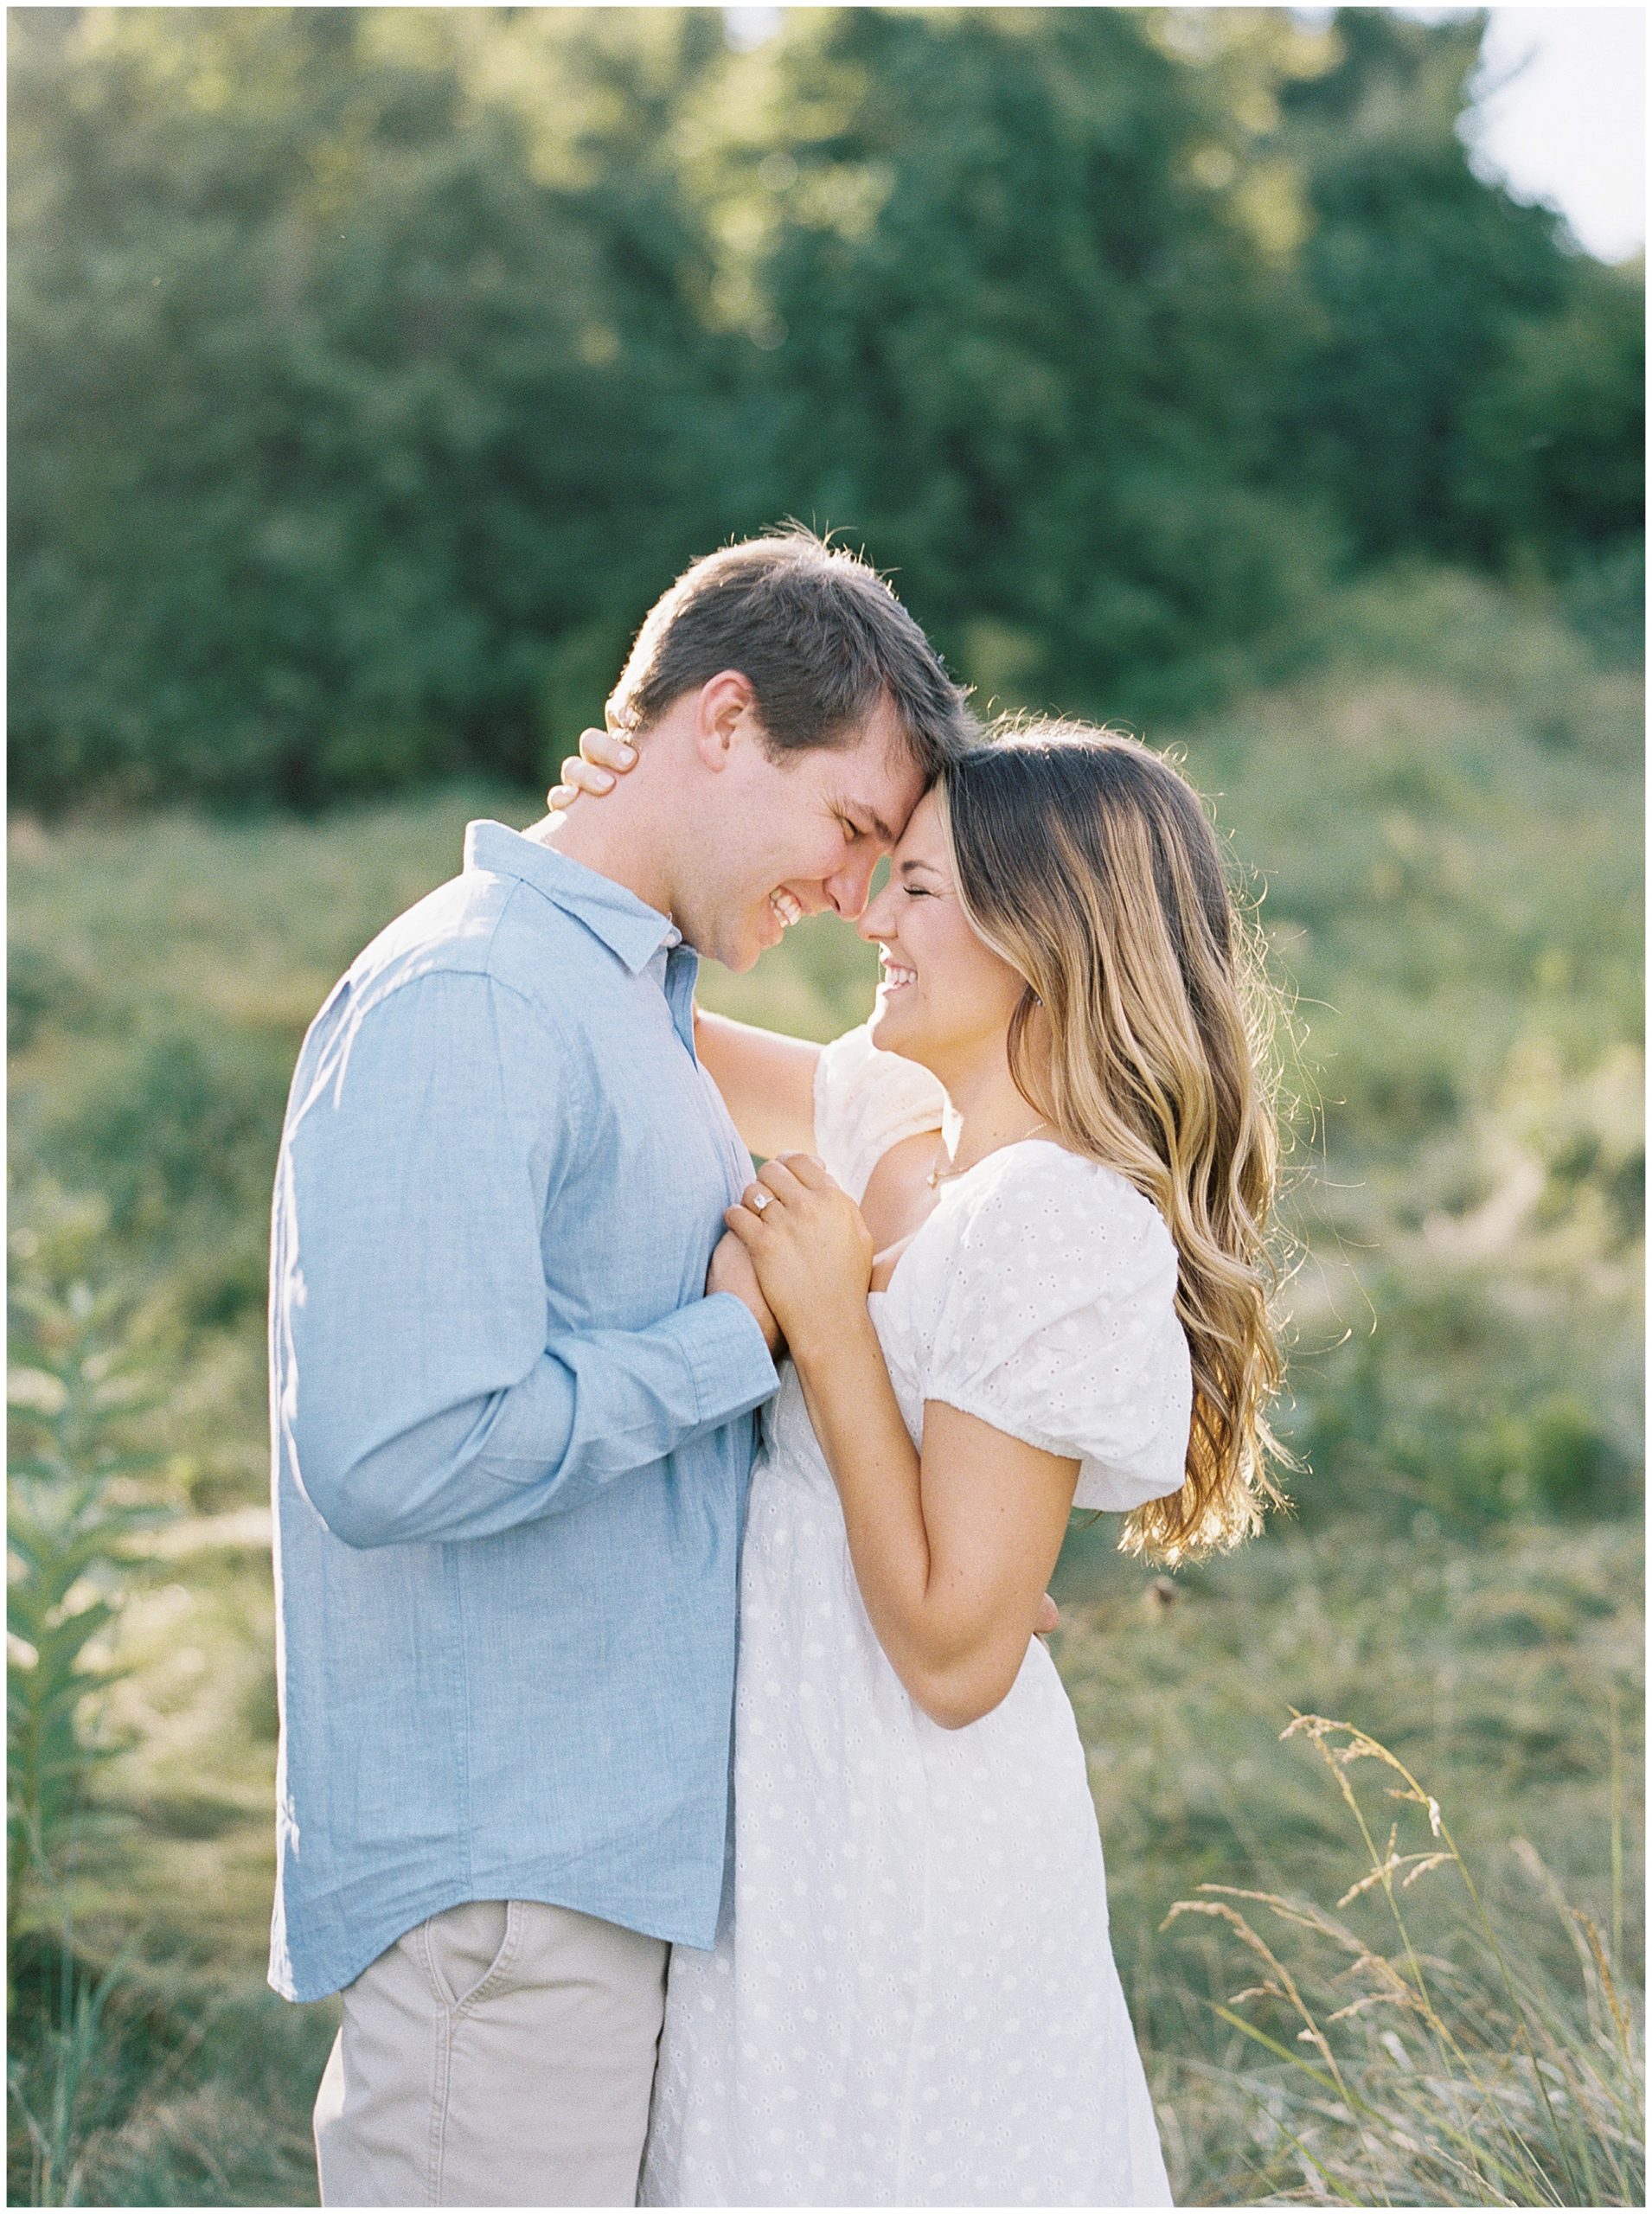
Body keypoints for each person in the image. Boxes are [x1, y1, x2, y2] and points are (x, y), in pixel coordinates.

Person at [266, 528, 976, 2207]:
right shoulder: (476, 1000)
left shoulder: (624, 1003)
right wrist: (737, 1338)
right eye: (852, 827)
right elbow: (392, 1450)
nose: (848, 890)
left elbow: (935, 1104)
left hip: (596, 1870)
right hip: (503, 1892)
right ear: (722, 720)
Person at [555, 717, 1286, 2204]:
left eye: (923, 891)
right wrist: (605, 834)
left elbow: (958, 1656)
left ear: (1047, 936)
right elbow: (626, 1023)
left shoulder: (1053, 1221)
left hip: (909, 1834)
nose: (871, 919)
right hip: (786, 1802)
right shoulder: (904, 1135)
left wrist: (826, 1331)